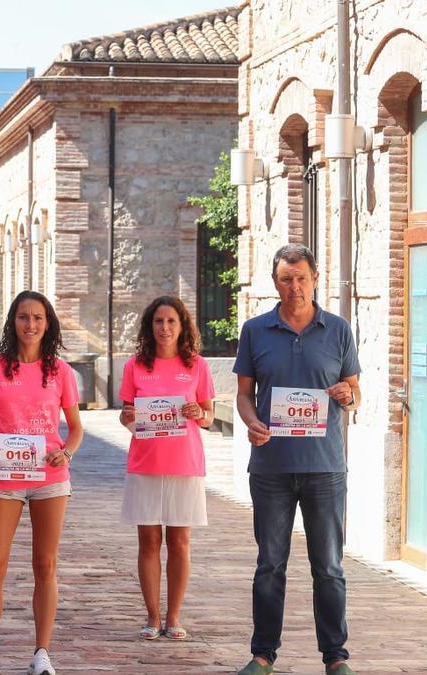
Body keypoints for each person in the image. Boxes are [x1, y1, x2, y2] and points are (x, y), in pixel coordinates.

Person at [233, 244, 360, 675]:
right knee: (270, 564)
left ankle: (336, 656)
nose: (295, 287)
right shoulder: (255, 330)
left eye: (302, 277)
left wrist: (349, 395)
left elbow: (353, 392)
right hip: (270, 469)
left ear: (316, 279)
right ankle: (263, 654)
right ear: (275, 283)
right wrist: (252, 423)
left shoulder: (339, 330)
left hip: (325, 467)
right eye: (286, 279)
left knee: (328, 566)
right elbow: (243, 397)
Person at [0, 291, 83, 675]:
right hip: (3, 477)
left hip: (51, 479)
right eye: (23, 317)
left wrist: (66, 453)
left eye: (37, 317)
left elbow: (76, 429)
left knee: (45, 565)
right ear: (12, 321)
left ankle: (42, 653)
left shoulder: (61, 372)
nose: (30, 325)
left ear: (47, 323)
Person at [118, 296, 215, 641]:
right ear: (150, 326)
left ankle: (173, 616)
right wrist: (128, 418)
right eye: (159, 321)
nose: (165, 328)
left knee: (180, 541)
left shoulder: (197, 366)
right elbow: (127, 415)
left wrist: (198, 414)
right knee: (148, 540)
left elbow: (209, 416)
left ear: (182, 325)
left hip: (185, 463)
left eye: (171, 321)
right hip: (145, 462)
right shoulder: (134, 367)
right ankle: (152, 615)